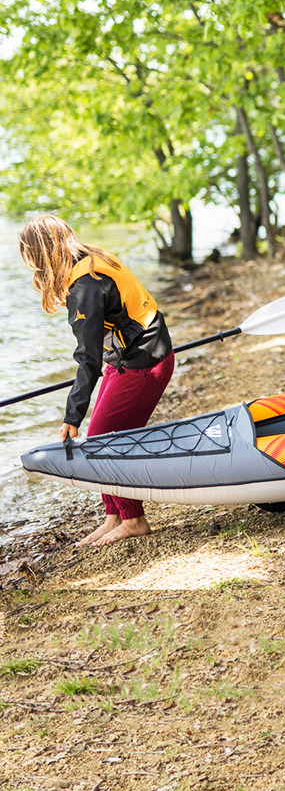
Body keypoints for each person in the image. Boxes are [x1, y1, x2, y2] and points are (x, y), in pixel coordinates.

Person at [18, 215, 174, 546]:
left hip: (144, 364)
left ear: (41, 254)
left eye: (30, 256)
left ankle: (133, 520)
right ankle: (113, 516)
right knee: (101, 436)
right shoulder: (90, 257)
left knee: (103, 440)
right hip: (132, 356)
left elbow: (87, 359)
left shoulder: (85, 287)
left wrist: (71, 416)